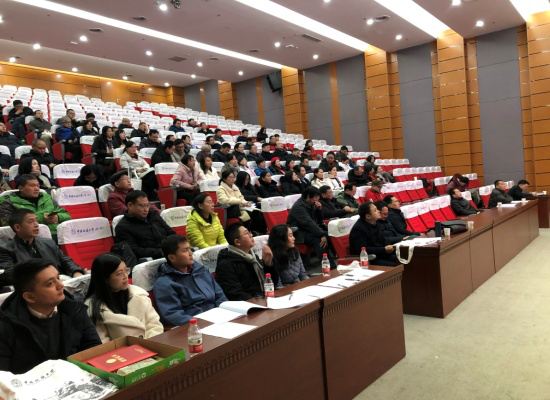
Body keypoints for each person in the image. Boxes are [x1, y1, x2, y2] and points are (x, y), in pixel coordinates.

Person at [0, 258, 101, 374]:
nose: (61, 285)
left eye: (58, 278)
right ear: (30, 297)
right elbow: (3, 375)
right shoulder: (6, 325)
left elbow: (94, 348)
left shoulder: (74, 308)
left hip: (75, 376)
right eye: (50, 283)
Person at [85, 253, 163, 343]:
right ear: (104, 278)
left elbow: (154, 324)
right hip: (123, 351)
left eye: (126, 270)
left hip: (151, 344)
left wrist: (148, 344)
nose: (125, 276)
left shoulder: (138, 294)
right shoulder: (94, 309)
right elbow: (104, 343)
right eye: (119, 274)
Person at [155, 236, 227, 326]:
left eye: (190, 248)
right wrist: (202, 322)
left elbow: (220, 297)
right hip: (195, 325)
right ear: (172, 257)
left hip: (218, 318)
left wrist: (224, 313)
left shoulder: (201, 270)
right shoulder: (164, 283)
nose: (191, 253)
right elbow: (173, 315)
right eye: (185, 250)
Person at [0, 209, 85, 286]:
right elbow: (10, 275)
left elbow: (65, 260)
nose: (36, 225)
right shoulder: (6, 249)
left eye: (36, 220)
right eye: (31, 222)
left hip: (60, 283)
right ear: (17, 227)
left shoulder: (49, 242)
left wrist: (76, 272)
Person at [216, 223, 279, 300]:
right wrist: (259, 301)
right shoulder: (225, 265)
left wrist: (268, 264)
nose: (251, 235)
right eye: (247, 233)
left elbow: (273, 283)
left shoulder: (253, 257)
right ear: (237, 242)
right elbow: (234, 294)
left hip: (263, 299)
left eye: (249, 232)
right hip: (250, 304)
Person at [0, 175, 70, 236]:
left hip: (58, 233)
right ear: (21, 188)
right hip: (30, 237)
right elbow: (9, 225)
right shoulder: (8, 202)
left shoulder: (46, 197)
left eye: (38, 185)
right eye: (32, 186)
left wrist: (58, 217)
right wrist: (43, 217)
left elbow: (67, 215)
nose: (37, 189)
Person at [114, 190, 175, 259]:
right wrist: (162, 252)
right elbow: (135, 251)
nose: (146, 209)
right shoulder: (122, 227)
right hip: (151, 260)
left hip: (169, 254)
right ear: (130, 205)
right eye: (142, 206)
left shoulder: (154, 215)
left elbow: (171, 232)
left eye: (147, 205)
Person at [286, 187, 337, 269]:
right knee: (319, 241)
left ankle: (337, 259)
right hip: (298, 232)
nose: (317, 200)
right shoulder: (299, 207)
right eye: (315, 197)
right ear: (308, 196)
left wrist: (319, 210)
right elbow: (308, 223)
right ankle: (329, 267)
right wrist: (321, 234)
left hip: (308, 230)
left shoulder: (310, 204)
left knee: (330, 234)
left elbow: (319, 221)